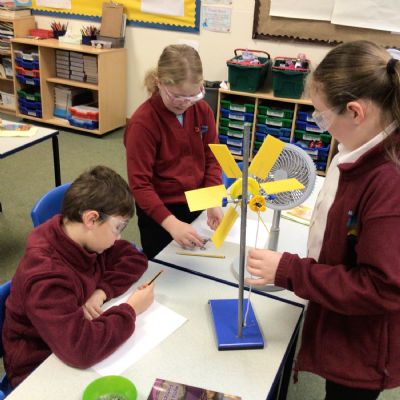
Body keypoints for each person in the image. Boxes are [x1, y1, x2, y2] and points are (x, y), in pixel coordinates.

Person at [246, 40, 400, 400]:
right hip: (341, 314)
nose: (321, 126)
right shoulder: (360, 148)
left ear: (356, 112)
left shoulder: (389, 184)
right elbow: (353, 226)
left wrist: (290, 271)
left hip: (362, 349)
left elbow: (382, 287)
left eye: (322, 116)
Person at [2, 166, 154, 388]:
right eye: (118, 227)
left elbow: (134, 258)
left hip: (65, 345)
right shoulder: (45, 276)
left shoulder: (81, 237)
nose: (119, 237)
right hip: (37, 371)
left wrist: (101, 292)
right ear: (91, 219)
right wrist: (131, 309)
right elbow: (80, 349)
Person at [124, 44, 223, 259]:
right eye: (177, 96)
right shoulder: (143, 124)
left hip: (196, 203)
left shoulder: (202, 110)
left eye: (193, 96)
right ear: (159, 83)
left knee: (201, 264)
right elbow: (140, 185)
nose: (185, 103)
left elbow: (212, 158)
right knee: (166, 267)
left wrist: (212, 200)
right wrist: (171, 224)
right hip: (160, 213)